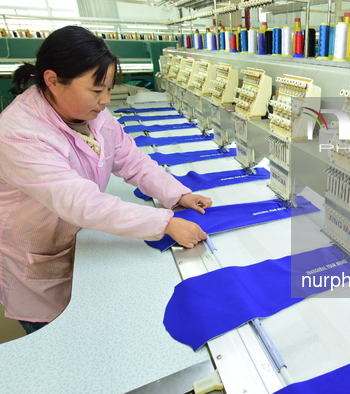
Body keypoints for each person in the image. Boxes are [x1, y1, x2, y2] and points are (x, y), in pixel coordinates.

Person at [0, 26, 211, 334]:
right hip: (38, 257)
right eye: (97, 91)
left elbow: (129, 158)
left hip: (77, 241)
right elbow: (79, 201)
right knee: (60, 343)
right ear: (52, 81)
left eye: (109, 89)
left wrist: (176, 194)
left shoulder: (90, 112)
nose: (105, 101)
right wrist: (165, 223)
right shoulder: (19, 132)